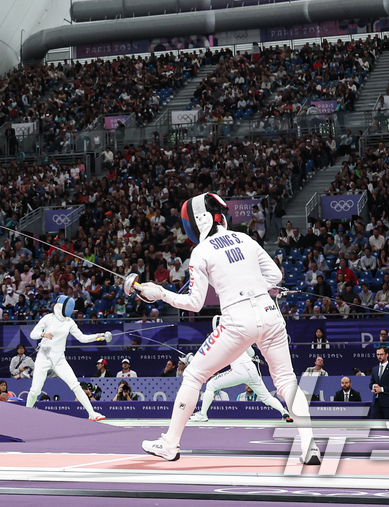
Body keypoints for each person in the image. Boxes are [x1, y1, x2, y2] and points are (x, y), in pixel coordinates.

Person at [133, 192, 315, 464]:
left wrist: (161, 294)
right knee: (287, 381)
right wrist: (254, 288)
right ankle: (310, 448)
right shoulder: (245, 238)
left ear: (199, 221)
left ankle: (170, 444)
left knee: (194, 375)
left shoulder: (200, 252)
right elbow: (276, 276)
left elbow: (194, 304)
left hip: (237, 321)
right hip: (270, 314)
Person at [26, 294, 112, 422]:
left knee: (75, 385)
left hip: (59, 358)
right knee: (35, 390)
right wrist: (43, 334)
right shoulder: (48, 318)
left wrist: (100, 336)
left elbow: (82, 338)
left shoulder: (69, 322)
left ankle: (92, 413)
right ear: (61, 307)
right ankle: (26, 412)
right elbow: (33, 334)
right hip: (44, 356)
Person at [190, 319, 294, 424]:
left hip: (239, 370)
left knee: (211, 385)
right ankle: (284, 412)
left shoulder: (220, 341)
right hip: (251, 369)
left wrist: (192, 360)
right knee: (266, 397)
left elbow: (211, 358)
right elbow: (252, 353)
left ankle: (203, 414)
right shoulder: (239, 335)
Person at [369, 346, 389, 420]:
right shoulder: (374, 369)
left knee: (388, 428)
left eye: (381, 354)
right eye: (378, 354)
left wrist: (382, 389)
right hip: (376, 404)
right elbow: (371, 384)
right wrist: (373, 386)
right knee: (376, 427)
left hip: (388, 405)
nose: (379, 356)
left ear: (387, 355)